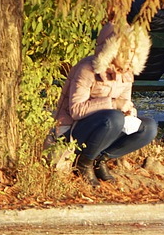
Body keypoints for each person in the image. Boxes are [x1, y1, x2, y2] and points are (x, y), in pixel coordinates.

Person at [54, 20, 157, 181]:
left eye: (133, 51)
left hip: (105, 127)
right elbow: (76, 110)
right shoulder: (87, 69)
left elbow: (123, 102)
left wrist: (130, 111)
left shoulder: (127, 73)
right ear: (112, 50)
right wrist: (114, 104)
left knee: (149, 127)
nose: (130, 56)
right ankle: (83, 163)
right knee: (114, 118)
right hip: (71, 131)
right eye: (126, 51)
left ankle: (100, 160)